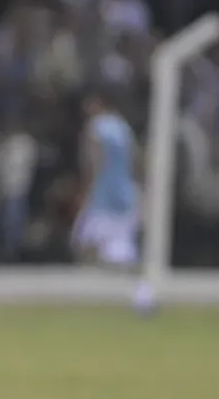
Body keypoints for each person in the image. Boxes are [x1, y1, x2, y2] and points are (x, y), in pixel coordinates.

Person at [72, 88, 151, 309]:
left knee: (83, 243)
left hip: (103, 196)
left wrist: (85, 190)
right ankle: (140, 294)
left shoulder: (96, 127)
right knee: (120, 251)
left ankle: (93, 296)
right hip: (126, 195)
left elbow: (93, 161)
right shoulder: (123, 127)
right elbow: (137, 159)